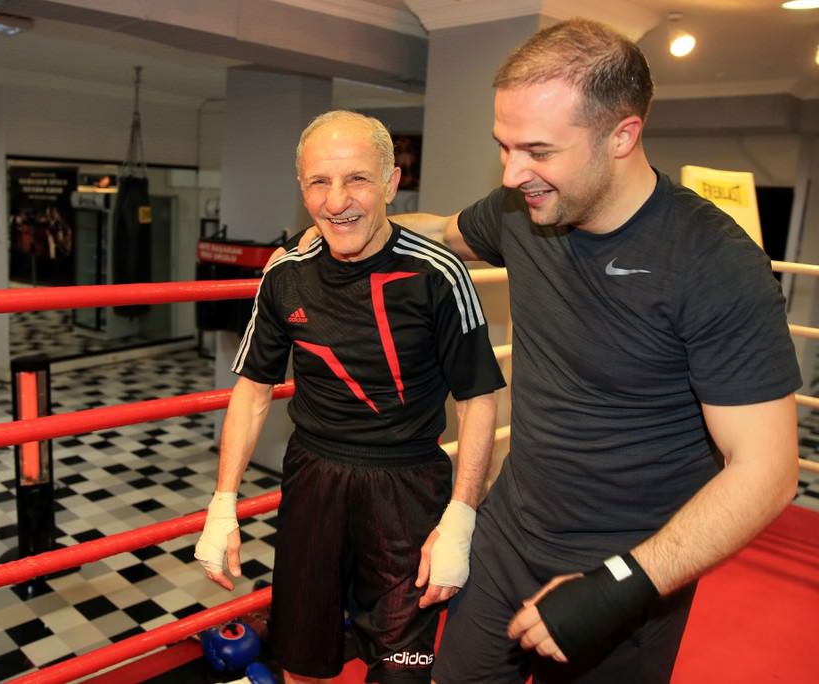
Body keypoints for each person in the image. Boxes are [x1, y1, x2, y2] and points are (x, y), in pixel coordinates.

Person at [288, 19, 801, 684]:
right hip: (509, 536)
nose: (512, 172)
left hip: (629, 565)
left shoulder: (713, 262)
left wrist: (621, 585)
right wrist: (344, 227)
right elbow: (439, 231)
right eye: (504, 147)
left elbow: (768, 471)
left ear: (622, 136)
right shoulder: (523, 211)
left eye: (537, 150)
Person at [195, 110, 505, 683]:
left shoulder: (438, 274)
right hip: (314, 480)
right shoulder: (285, 274)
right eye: (319, 182)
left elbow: (478, 398)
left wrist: (462, 516)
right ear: (302, 188)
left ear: (390, 183)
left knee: (402, 670)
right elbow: (253, 390)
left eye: (357, 179)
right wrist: (222, 505)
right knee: (301, 660)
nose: (337, 201)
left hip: (409, 488)